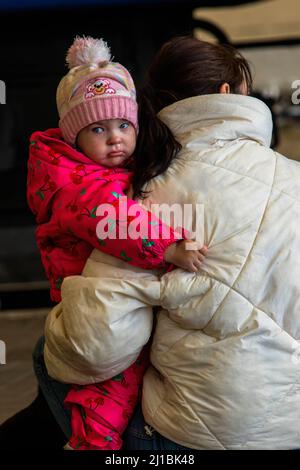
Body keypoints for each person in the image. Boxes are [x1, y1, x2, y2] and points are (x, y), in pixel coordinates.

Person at [24, 36, 207, 451]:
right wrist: (167, 248)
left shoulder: (102, 168)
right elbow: (114, 220)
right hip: (96, 306)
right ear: (74, 138)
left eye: (124, 126)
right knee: (108, 395)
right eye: (98, 129)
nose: (115, 139)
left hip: (111, 289)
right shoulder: (74, 184)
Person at [119, 36, 300, 450]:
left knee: (52, 359)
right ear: (228, 93)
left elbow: (103, 342)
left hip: (192, 434)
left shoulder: (143, 195)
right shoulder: (295, 178)